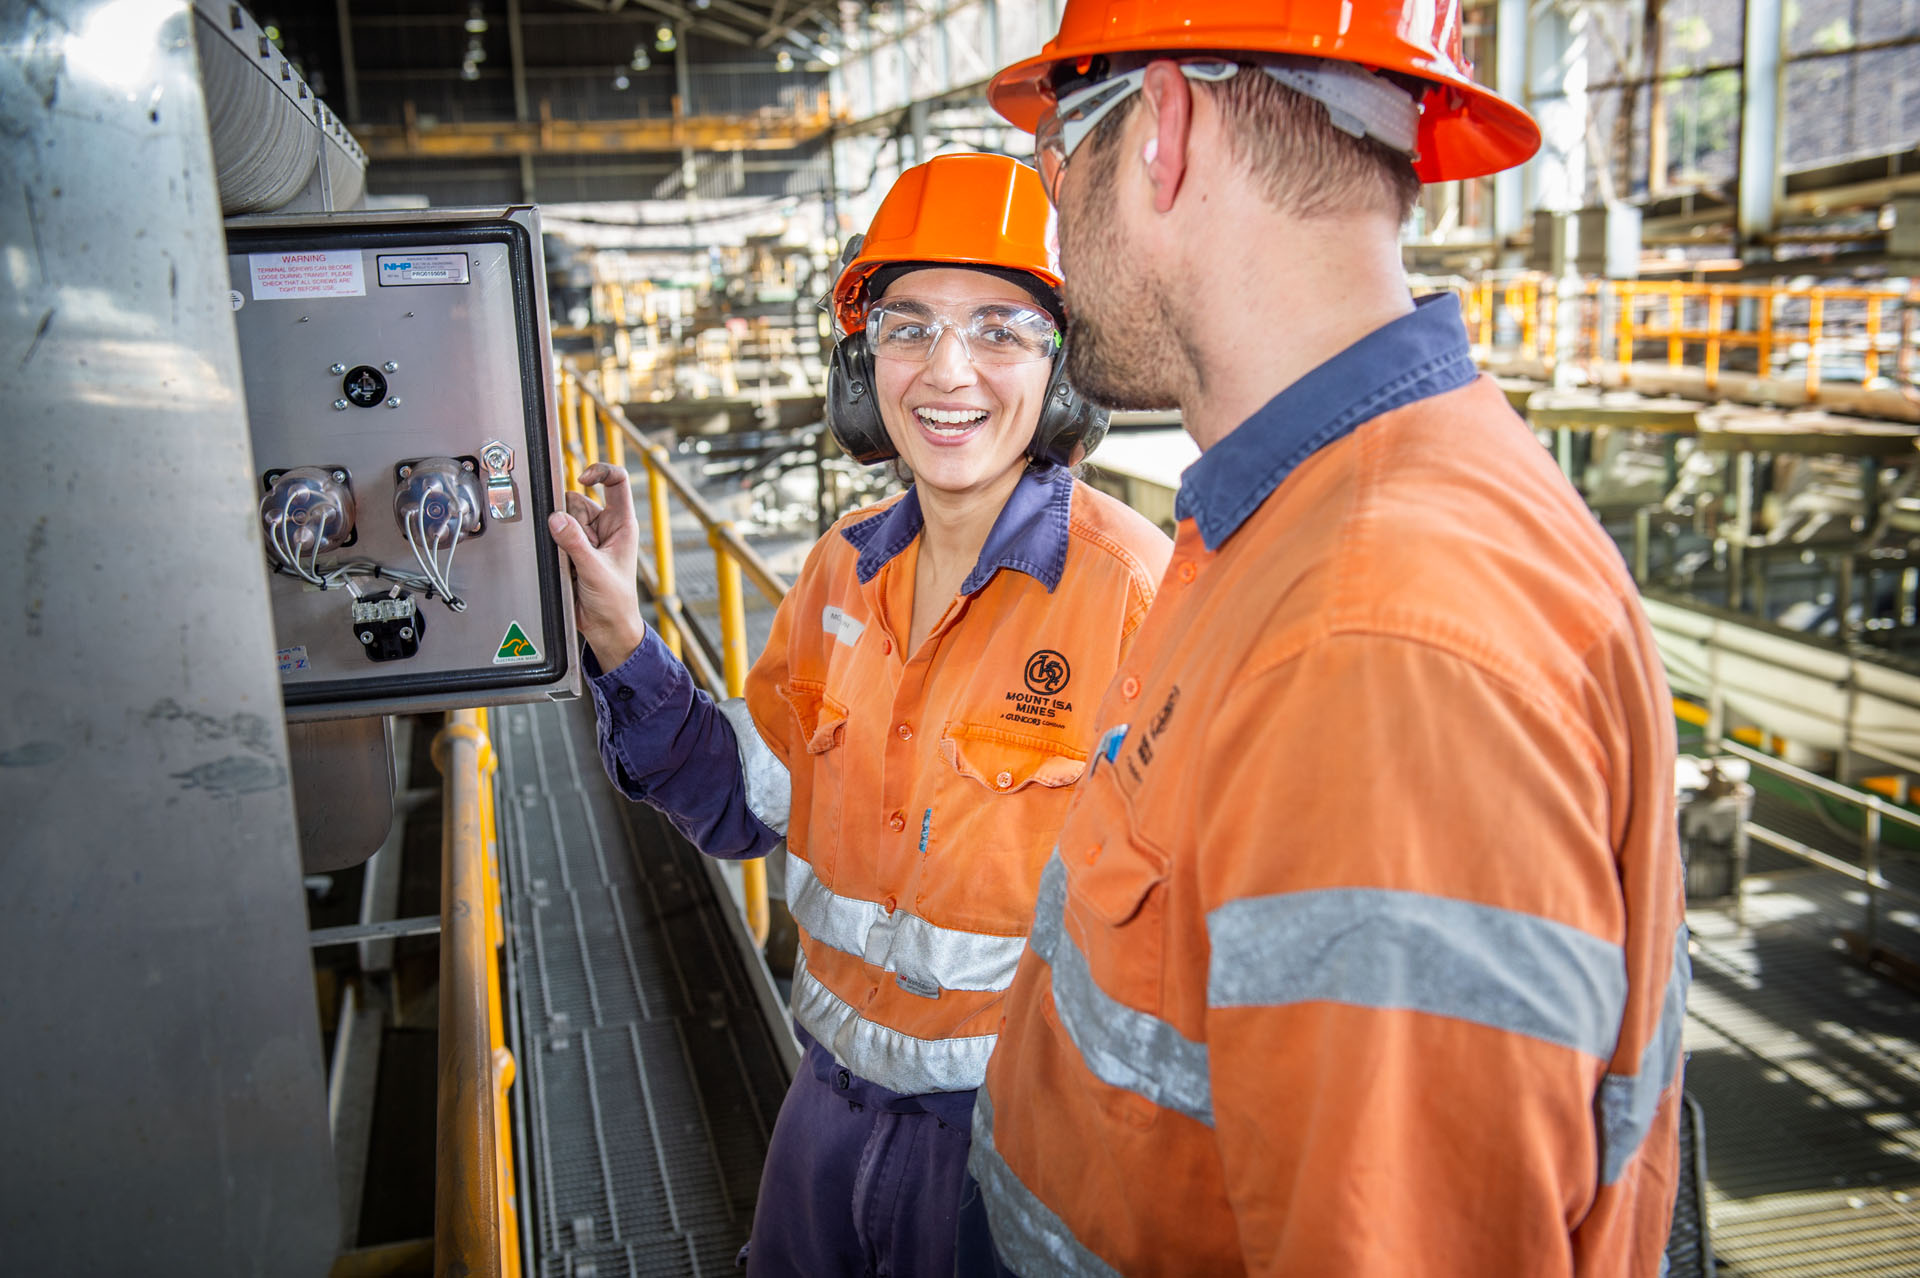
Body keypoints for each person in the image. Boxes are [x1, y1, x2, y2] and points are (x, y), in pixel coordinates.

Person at [959, 4, 1690, 1275]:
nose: (1054, 226)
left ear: (1164, 129)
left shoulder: (1373, 644)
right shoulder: (1292, 522)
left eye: (1053, 166)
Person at [547, 151, 1172, 1278]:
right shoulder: (839, 572)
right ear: (862, 358)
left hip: (1018, 1153)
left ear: (1063, 369)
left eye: (999, 327)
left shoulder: (1134, 597)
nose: (948, 370)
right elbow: (747, 798)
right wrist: (618, 638)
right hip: (823, 1120)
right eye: (907, 325)